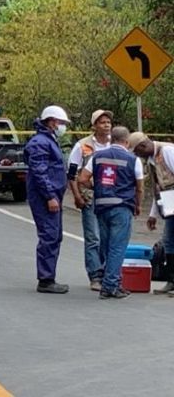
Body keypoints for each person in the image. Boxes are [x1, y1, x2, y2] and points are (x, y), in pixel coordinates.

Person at [78, 126, 143, 299]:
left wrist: (98, 187)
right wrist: (138, 205)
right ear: (127, 142)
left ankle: (113, 282)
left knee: (106, 247)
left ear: (111, 139)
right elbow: (140, 187)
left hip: (101, 207)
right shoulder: (133, 159)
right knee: (118, 247)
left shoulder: (97, 156)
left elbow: (82, 179)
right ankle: (110, 286)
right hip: (122, 207)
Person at [24, 105, 71, 294]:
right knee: (49, 236)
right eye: (61, 123)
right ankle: (45, 279)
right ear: (52, 122)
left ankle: (48, 277)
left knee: (55, 236)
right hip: (45, 197)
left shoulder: (48, 140)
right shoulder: (40, 143)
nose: (63, 127)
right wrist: (50, 196)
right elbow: (39, 172)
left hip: (52, 195)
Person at [67, 109, 113, 291]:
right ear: (94, 126)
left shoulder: (114, 144)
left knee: (107, 238)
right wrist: (77, 195)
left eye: (108, 121)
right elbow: (71, 173)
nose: (106, 125)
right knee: (93, 237)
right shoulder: (82, 145)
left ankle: (108, 273)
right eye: (102, 122)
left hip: (111, 199)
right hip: (90, 198)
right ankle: (95, 275)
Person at [131, 131, 174, 294]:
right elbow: (158, 189)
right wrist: (152, 214)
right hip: (169, 202)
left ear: (143, 146)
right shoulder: (151, 160)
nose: (137, 156)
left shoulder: (167, 151)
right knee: (169, 242)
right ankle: (171, 280)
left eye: (137, 152)